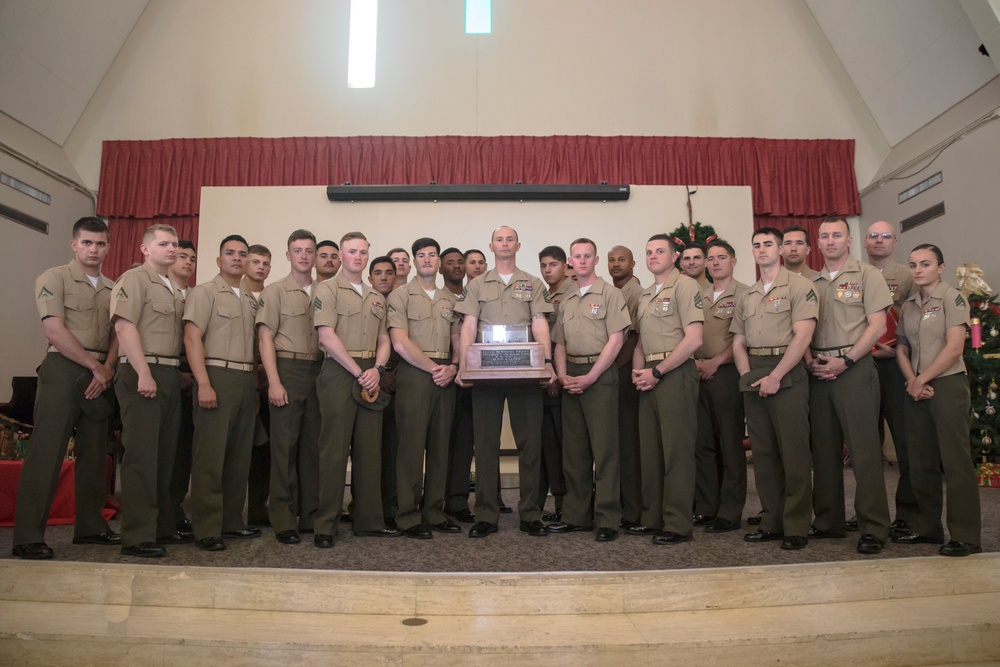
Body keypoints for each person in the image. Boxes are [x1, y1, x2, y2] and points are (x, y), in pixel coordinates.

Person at [13, 217, 120, 559]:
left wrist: (107, 369)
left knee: (94, 454)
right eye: (87, 242)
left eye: (100, 243)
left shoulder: (114, 287)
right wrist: (96, 368)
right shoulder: (53, 278)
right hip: (64, 368)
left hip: (101, 372)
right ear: (74, 244)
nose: (93, 249)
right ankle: (28, 536)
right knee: (47, 453)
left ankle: (90, 526)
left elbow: (119, 333)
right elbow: (54, 331)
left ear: (108, 246)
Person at [455, 226, 554, 538]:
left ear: (518, 245)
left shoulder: (533, 283)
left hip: (526, 372)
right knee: (485, 444)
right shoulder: (476, 285)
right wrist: (463, 365)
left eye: (510, 239)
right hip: (486, 373)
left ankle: (531, 514)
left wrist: (547, 362)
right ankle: (485, 514)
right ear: (491, 246)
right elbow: (469, 325)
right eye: (499, 239)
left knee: (530, 444)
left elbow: (539, 323)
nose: (505, 244)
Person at [807, 216, 892, 554]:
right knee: (824, 451)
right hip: (819, 368)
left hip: (853, 367)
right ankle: (828, 521)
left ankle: (874, 526)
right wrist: (812, 359)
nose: (830, 241)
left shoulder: (867, 275)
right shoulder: (810, 282)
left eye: (837, 235)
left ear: (848, 241)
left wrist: (847, 361)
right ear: (818, 242)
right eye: (824, 236)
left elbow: (877, 325)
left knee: (863, 451)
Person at [312, 232, 399, 548]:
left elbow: (384, 338)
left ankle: (369, 521)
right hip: (339, 371)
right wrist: (359, 372)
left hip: (369, 374)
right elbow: (326, 336)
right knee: (334, 452)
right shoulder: (328, 289)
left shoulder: (376, 296)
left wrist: (377, 369)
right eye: (351, 251)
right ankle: (325, 524)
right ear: (340, 255)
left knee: (369, 451)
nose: (358, 257)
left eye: (363, 252)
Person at [731, 228, 816, 550]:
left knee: (793, 453)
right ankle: (771, 521)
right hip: (755, 372)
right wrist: (748, 376)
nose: (762, 249)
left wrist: (777, 375)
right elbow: (738, 341)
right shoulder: (747, 295)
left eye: (768, 244)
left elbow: (803, 336)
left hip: (787, 372)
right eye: (757, 245)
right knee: (763, 453)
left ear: (780, 249)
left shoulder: (799, 286)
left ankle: (796, 526)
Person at [893, 244, 981, 557]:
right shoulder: (909, 305)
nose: (918, 270)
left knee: (955, 463)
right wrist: (912, 382)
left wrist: (922, 379)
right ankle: (927, 528)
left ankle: (966, 535)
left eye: (925, 264)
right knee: (920, 463)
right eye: (913, 264)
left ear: (940, 268)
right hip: (916, 389)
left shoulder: (951, 297)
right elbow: (902, 348)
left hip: (946, 386)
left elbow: (955, 347)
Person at [111, 223, 186, 557]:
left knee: (165, 456)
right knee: (142, 456)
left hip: (168, 374)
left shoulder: (173, 286)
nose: (171, 249)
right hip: (142, 371)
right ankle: (137, 536)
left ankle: (161, 527)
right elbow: (124, 326)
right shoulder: (134, 280)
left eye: (174, 244)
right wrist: (143, 372)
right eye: (163, 244)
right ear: (145, 249)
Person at [548, 238, 630, 541]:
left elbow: (616, 340)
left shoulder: (610, 294)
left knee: (605, 451)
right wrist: (562, 375)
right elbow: (559, 343)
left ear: (596, 260)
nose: (582, 261)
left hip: (600, 376)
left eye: (588, 256)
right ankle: (576, 516)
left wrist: (592, 376)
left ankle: (607, 518)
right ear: (571, 260)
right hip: (572, 375)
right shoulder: (567, 300)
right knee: (575, 452)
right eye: (577, 257)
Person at [183, 235, 260, 551]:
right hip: (216, 375)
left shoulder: (251, 299)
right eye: (230, 253)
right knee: (210, 458)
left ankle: (231, 521)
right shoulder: (205, 293)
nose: (237, 258)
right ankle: (206, 527)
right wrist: (203, 383)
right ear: (218, 260)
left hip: (245, 380)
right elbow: (191, 338)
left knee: (238, 457)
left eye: (243, 254)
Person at [629, 233, 704, 545]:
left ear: (675, 256)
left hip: (674, 373)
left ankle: (677, 524)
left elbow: (694, 339)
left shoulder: (685, 286)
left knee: (676, 452)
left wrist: (658, 371)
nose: (653, 256)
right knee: (651, 452)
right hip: (649, 375)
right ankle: (653, 517)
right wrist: (639, 373)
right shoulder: (646, 295)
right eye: (648, 252)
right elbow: (642, 341)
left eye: (660, 251)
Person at [387, 237, 463, 538]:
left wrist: (454, 367)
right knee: (410, 448)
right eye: (421, 255)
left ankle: (433, 511)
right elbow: (400, 342)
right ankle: (407, 515)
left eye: (433, 255)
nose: (427, 260)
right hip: (417, 375)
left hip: (445, 374)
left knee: (441, 447)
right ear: (414, 261)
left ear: (440, 261)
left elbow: (458, 340)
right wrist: (436, 369)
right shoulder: (401, 296)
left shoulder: (452, 299)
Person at [256, 230, 322, 544]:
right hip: (287, 368)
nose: (304, 256)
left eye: (310, 250)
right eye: (298, 250)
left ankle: (310, 514)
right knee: (284, 447)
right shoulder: (275, 291)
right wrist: (274, 381)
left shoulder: (326, 290)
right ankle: (283, 517)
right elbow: (265, 337)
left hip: (320, 370)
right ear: (288, 255)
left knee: (313, 448)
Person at [863, 220, 916, 535]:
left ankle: (908, 514)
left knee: (905, 442)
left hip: (897, 365)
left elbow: (914, 320)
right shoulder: (856, 274)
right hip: (862, 365)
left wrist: (895, 349)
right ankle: (871, 513)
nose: (878, 241)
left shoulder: (908, 276)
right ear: (865, 243)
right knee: (866, 445)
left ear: (894, 242)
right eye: (873, 236)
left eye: (885, 236)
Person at [692, 240, 749, 533]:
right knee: (702, 444)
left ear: (733, 261)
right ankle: (706, 506)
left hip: (725, 373)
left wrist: (715, 362)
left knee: (729, 444)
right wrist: (699, 364)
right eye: (711, 258)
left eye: (721, 257)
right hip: (697, 372)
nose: (715, 263)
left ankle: (729, 510)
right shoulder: (698, 295)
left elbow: (742, 338)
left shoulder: (745, 294)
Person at [443, 249, 488, 523]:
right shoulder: (437, 299)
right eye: (451, 262)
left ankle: (458, 500)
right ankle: (436, 497)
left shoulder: (478, 295)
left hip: (475, 377)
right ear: (440, 268)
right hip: (444, 375)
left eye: (461, 262)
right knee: (441, 442)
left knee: (465, 442)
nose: (457, 266)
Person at [608, 245, 643, 529]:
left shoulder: (634, 291)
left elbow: (631, 338)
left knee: (628, 443)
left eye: (621, 259)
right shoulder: (614, 291)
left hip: (625, 373)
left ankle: (632, 509)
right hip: (616, 372)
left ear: (633, 263)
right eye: (612, 260)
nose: (616, 264)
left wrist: (613, 368)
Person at [537, 245, 571, 522]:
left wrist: (558, 376)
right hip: (542, 377)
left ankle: (568, 506)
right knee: (547, 444)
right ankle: (555, 504)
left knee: (566, 446)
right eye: (544, 266)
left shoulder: (572, 293)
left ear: (565, 266)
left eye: (553, 265)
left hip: (566, 377)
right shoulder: (542, 295)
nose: (548, 270)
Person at [167, 239, 197, 537]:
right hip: (166, 376)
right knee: (164, 450)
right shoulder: (158, 289)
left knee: (184, 453)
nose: (187, 262)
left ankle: (175, 513)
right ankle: (161, 516)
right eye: (181, 256)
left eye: (192, 258)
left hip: (192, 379)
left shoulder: (195, 295)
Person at [367, 256, 400, 527]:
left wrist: (394, 374)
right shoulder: (365, 301)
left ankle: (391, 508)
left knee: (393, 450)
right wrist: (379, 373)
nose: (384, 277)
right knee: (367, 450)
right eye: (378, 273)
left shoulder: (403, 301)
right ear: (370, 278)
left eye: (389, 272)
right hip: (369, 381)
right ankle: (363, 506)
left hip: (399, 384)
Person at [243, 243, 272, 527]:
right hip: (242, 378)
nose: (259, 267)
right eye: (255, 262)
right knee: (242, 448)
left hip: (268, 381)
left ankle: (257, 507)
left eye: (265, 263)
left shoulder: (273, 295)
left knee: (265, 448)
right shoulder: (232, 293)